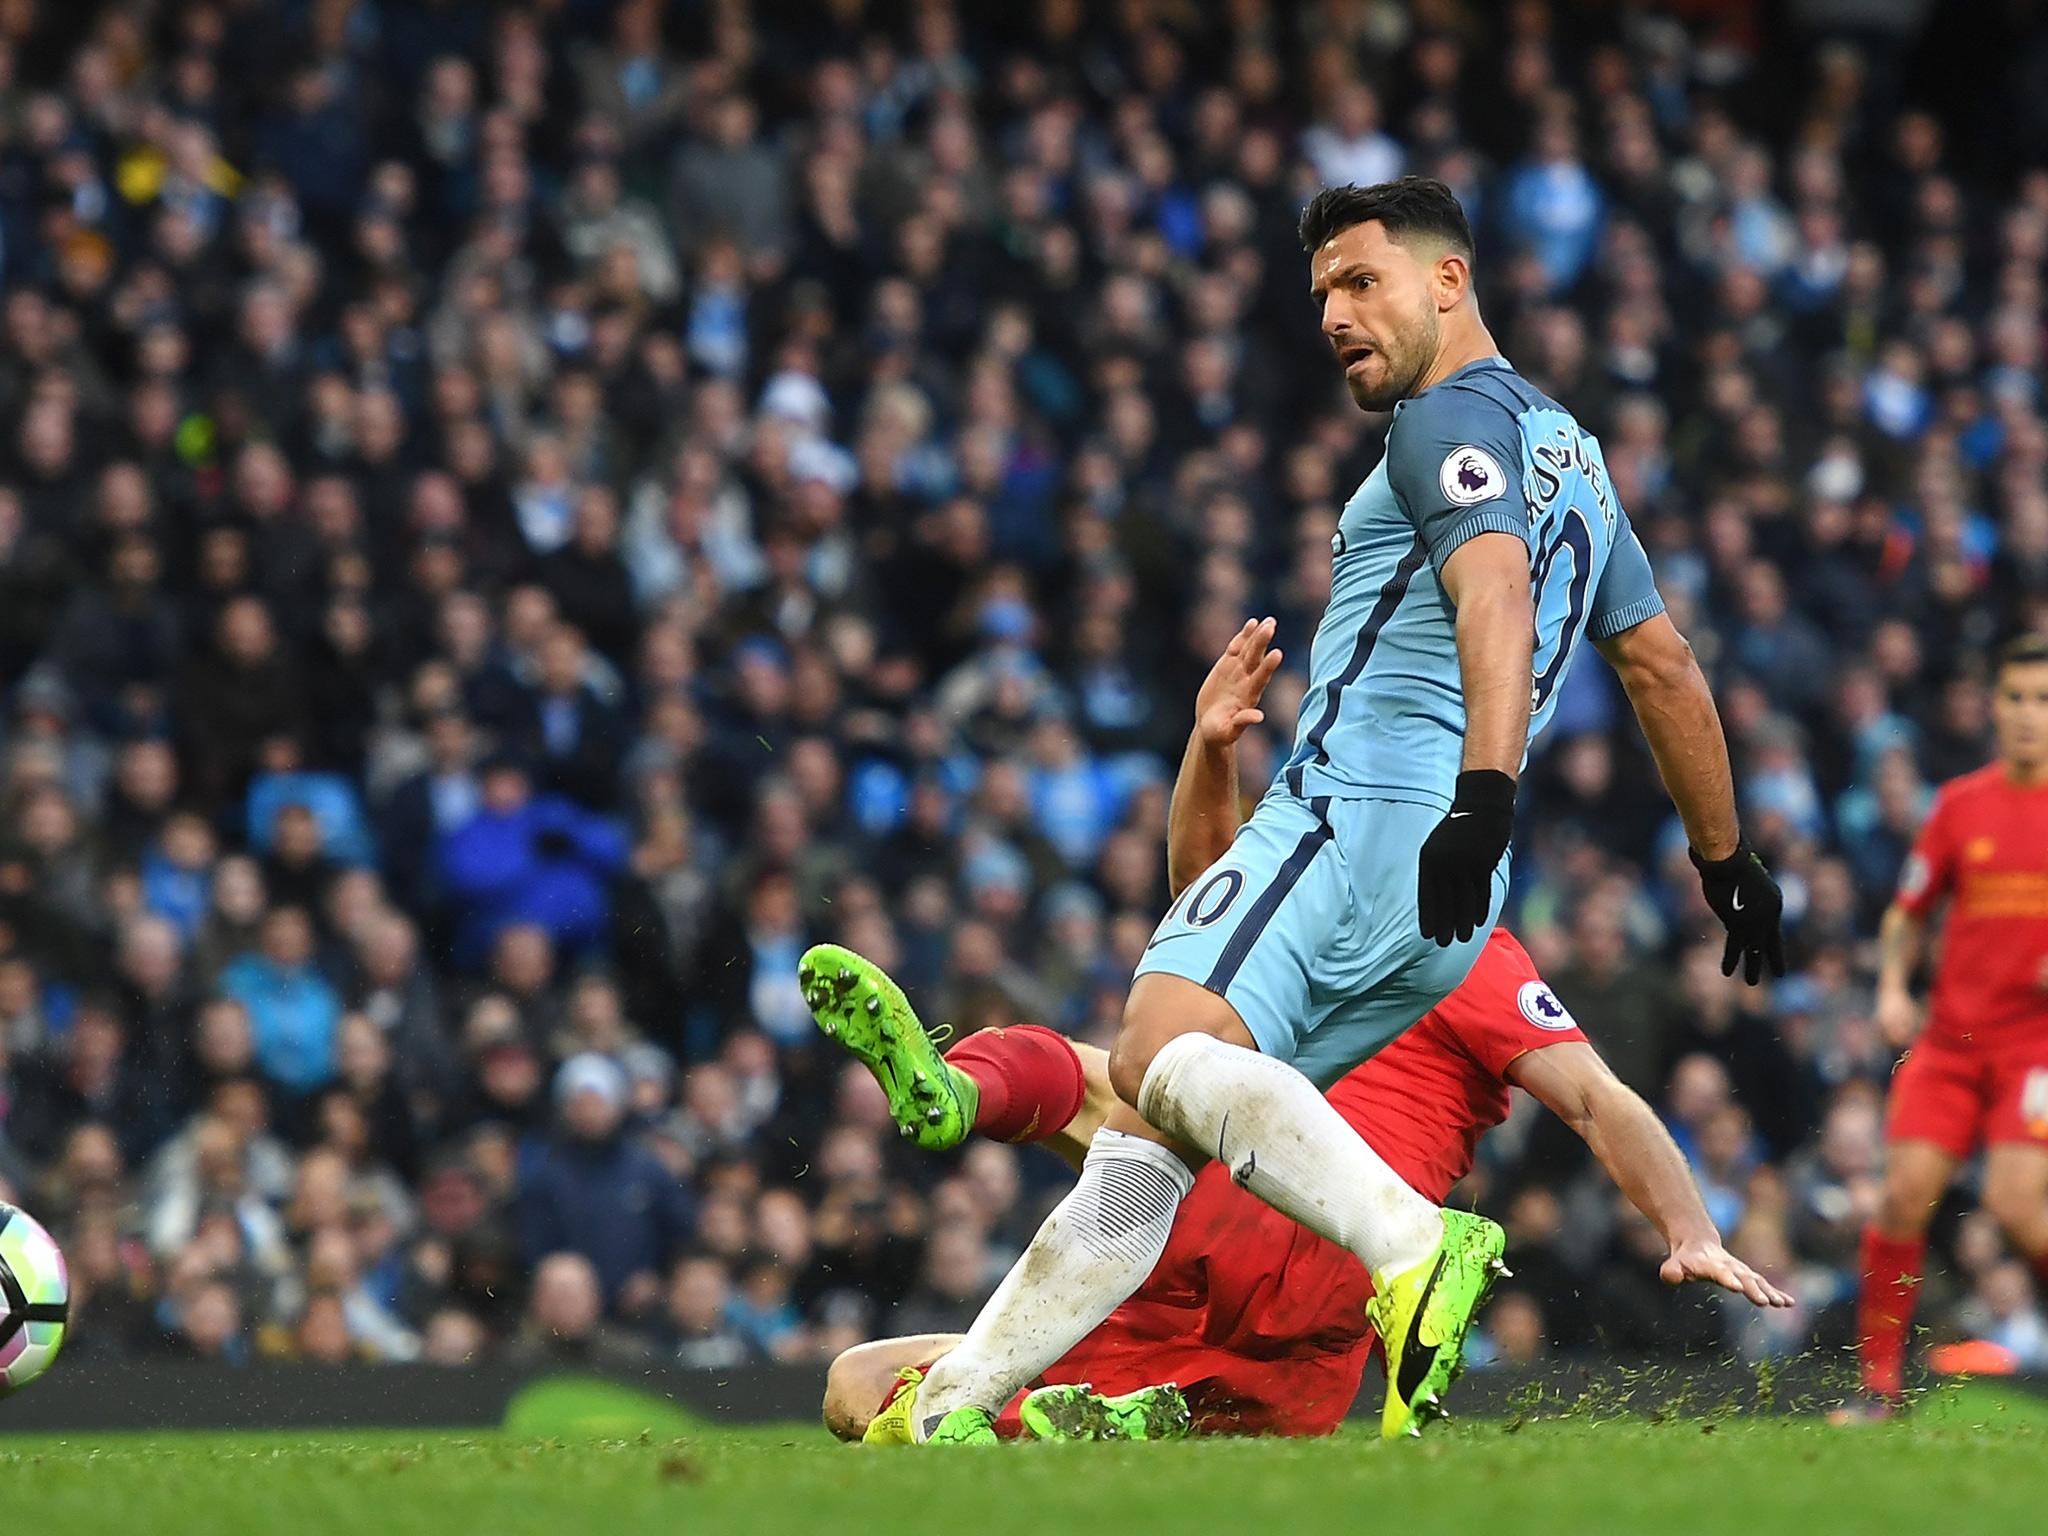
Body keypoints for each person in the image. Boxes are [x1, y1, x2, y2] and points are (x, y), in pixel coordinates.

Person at [824, 176, 1784, 1445]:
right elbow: (1660, 666)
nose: (1332, 314)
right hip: (1442, 900)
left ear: (1449, 279)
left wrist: (1481, 798)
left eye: (1360, 281)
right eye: (1321, 292)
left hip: (1365, 817)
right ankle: (952, 1407)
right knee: (1162, 1127)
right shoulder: (1580, 467)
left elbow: (1490, 594)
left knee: (1152, 1052)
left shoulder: (1447, 420)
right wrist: (1726, 860)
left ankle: (1405, 1245)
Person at [812, 615, 1789, 1442]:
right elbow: (1593, 1099)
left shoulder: (1440, 941)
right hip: (1286, 1309)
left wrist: (1207, 751)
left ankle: (963, 1095)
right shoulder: (1422, 932)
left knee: (1126, 1073)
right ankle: (1101, 1411)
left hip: (1268, 1222)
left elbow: (1199, 909)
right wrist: (1687, 1225)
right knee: (857, 1382)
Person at [1856, 635, 2048, 1406]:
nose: (2029, 715)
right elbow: (1907, 913)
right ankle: (1878, 1387)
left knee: (2015, 1206)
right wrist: (1892, 989)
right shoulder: (1959, 804)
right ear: (1993, 708)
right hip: (1949, 1041)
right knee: (1901, 1197)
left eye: (2043, 701)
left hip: (2034, 1048)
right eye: (2016, 699)